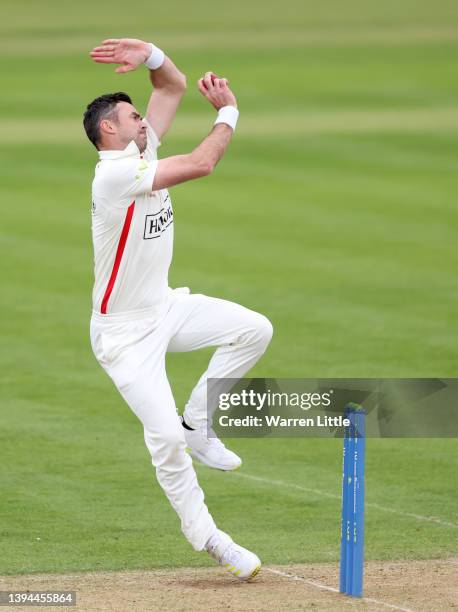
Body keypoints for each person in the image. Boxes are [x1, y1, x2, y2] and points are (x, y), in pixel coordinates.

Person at [83, 37, 273, 581]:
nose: (144, 121)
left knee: (254, 330)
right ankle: (210, 538)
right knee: (162, 439)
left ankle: (201, 423)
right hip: (122, 335)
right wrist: (229, 113)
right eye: (132, 117)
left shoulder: (141, 150)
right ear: (109, 132)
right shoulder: (114, 176)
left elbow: (171, 86)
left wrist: (151, 53)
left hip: (163, 307)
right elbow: (202, 163)